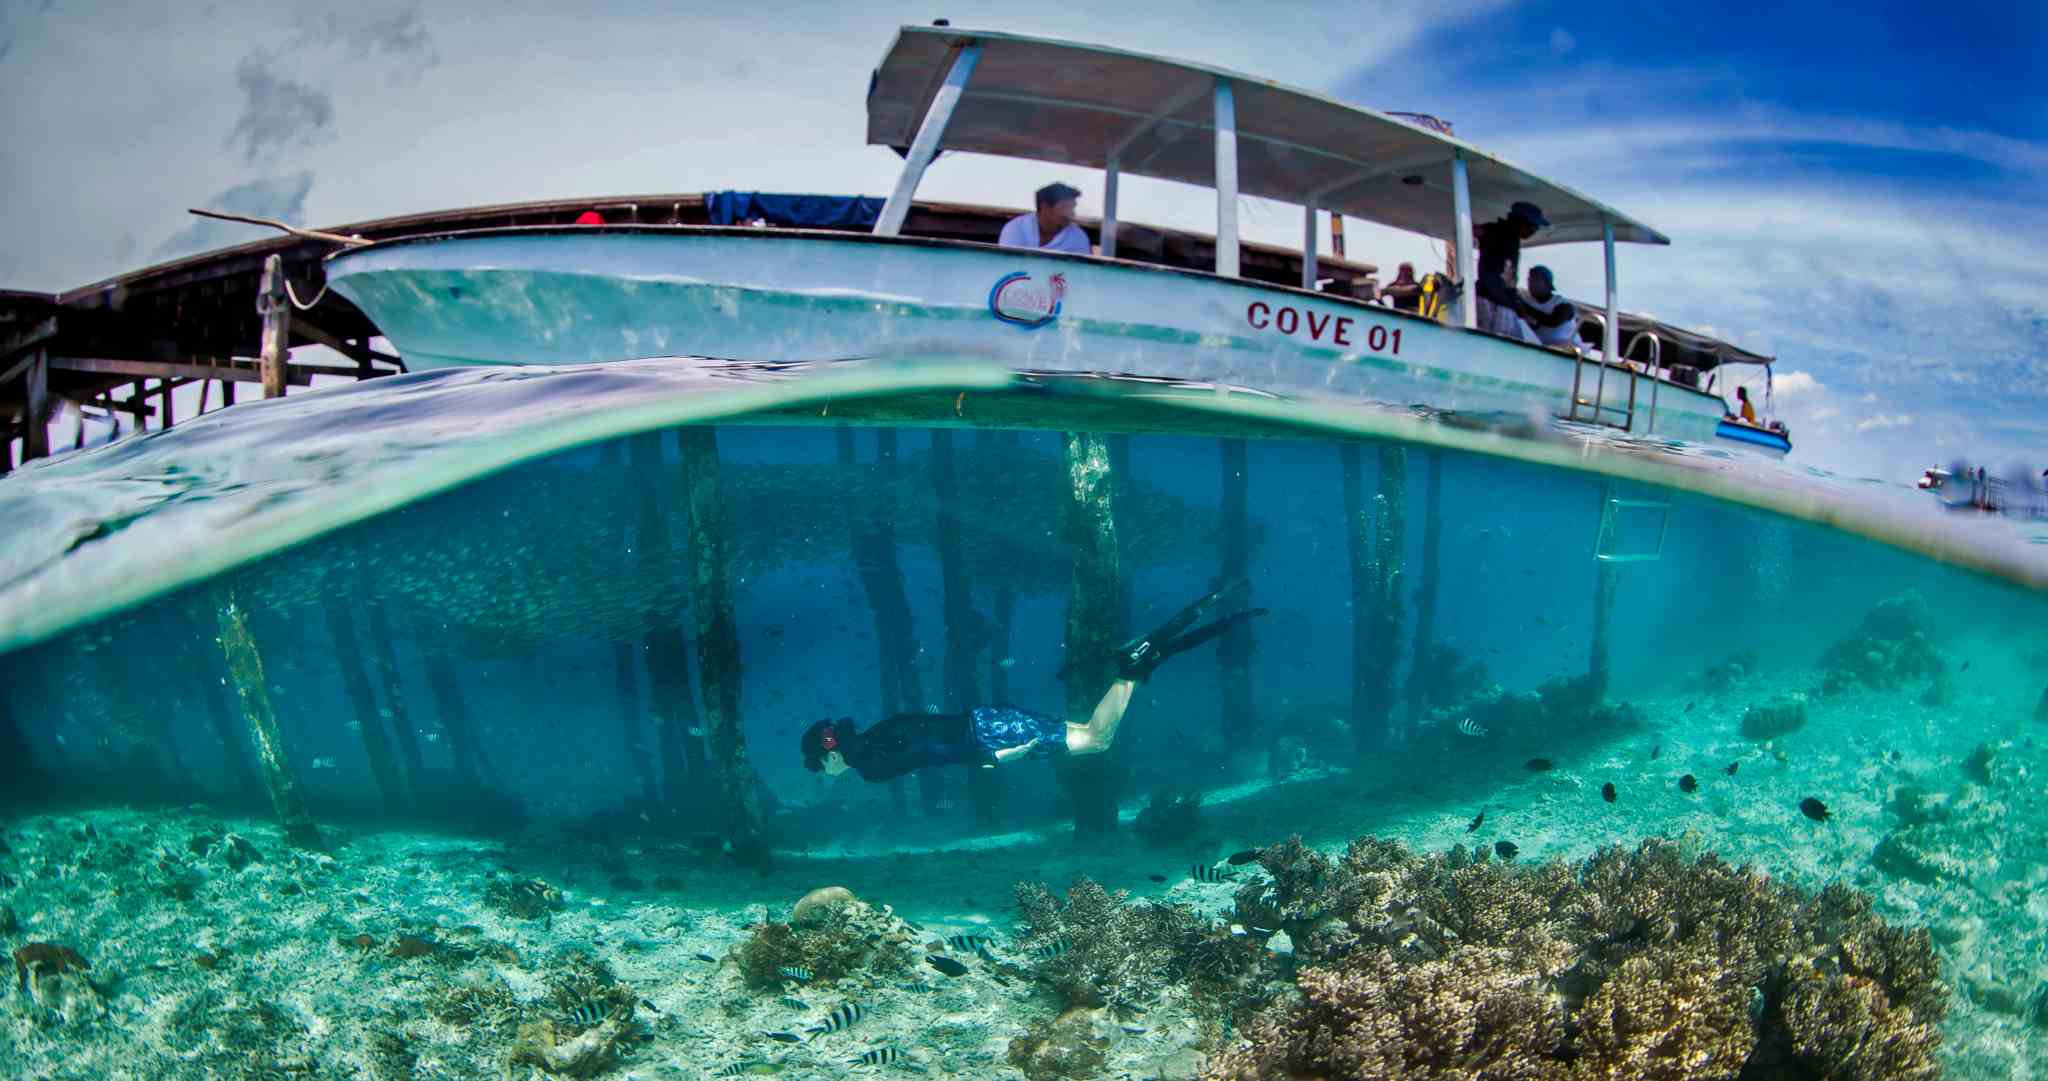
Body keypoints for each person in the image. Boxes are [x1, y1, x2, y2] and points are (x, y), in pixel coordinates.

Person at [801, 581, 1264, 783]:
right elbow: (921, 730)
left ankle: (1133, 666)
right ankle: (1138, 665)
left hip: (991, 736)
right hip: (989, 721)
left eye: (820, 766)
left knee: (1096, 739)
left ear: (832, 752)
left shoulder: (869, 765)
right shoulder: (873, 738)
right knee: (1089, 736)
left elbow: (926, 751)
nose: (825, 774)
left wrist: (992, 757)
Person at [1474, 202, 1548, 342]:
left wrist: (1515, 303)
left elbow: (1509, 278)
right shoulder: (1497, 231)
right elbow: (1475, 230)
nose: (1535, 230)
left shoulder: (1512, 240)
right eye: (1533, 226)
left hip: (1501, 300)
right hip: (1490, 298)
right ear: (1521, 221)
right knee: (1495, 342)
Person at [999, 182, 1091, 255]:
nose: (1071, 213)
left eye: (1072, 208)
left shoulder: (1079, 238)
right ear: (1045, 207)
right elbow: (1007, 267)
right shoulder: (1015, 229)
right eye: (1064, 207)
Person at [1519, 266, 1578, 348]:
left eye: (1535, 280)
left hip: (1569, 351)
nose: (1531, 284)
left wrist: (1524, 306)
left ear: (1547, 284)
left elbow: (1553, 321)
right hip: (1543, 348)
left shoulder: (1564, 304)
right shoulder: (1527, 301)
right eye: (1529, 280)